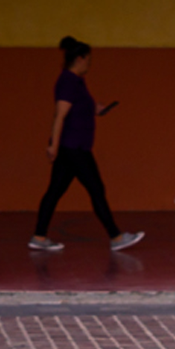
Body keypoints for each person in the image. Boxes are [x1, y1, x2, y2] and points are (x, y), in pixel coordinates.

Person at [29, 37, 143, 256]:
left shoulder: (77, 82)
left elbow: (77, 108)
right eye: (88, 60)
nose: (89, 64)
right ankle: (116, 237)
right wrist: (53, 145)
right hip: (74, 148)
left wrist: (94, 108)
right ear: (80, 59)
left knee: (55, 191)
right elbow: (60, 115)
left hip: (73, 147)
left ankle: (39, 237)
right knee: (96, 189)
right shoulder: (68, 82)